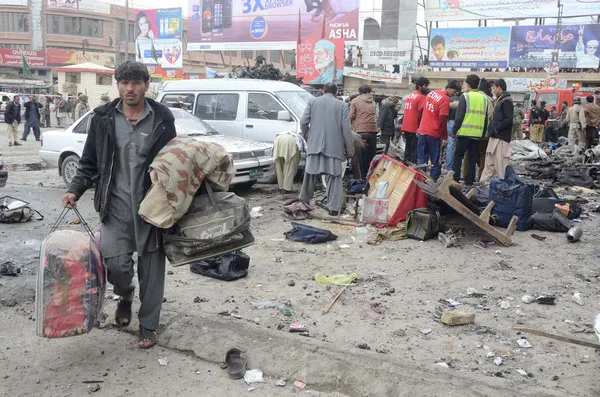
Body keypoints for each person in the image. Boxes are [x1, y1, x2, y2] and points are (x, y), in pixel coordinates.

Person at [61, 62, 177, 349]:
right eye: (124, 82)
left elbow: (175, 161)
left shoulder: (162, 117)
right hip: (115, 206)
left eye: (136, 83)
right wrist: (75, 189)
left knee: (151, 272)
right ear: (117, 84)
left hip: (153, 208)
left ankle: (148, 325)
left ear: (147, 85)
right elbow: (89, 162)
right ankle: (125, 295)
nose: (130, 89)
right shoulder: (102, 118)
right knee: (117, 265)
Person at [299, 83, 353, 216]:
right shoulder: (342, 105)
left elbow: (303, 122)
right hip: (334, 147)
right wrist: (349, 151)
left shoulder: (313, 102)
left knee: (309, 175)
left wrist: (307, 136)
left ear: (323, 91)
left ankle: (303, 203)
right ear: (336, 93)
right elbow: (346, 131)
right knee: (334, 178)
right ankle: (334, 209)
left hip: (315, 144)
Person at [417, 80, 461, 181]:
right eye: (454, 92)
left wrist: (418, 127)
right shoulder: (445, 99)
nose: (453, 95)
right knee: (435, 161)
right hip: (434, 133)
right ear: (450, 89)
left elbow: (420, 111)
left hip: (423, 132)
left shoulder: (431, 93)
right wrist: (444, 138)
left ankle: (419, 180)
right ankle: (433, 183)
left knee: (421, 160)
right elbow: (442, 120)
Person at [452, 74, 490, 186]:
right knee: (472, 159)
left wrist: (454, 130)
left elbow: (459, 117)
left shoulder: (466, 96)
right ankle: (470, 181)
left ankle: (455, 179)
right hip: (477, 134)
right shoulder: (484, 98)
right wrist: (482, 133)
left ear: (468, 85)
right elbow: (485, 118)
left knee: (458, 156)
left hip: (464, 133)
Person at [480, 79, 514, 182]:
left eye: (494, 88)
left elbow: (508, 119)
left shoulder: (506, 101)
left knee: (500, 162)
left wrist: (497, 127)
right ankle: (484, 182)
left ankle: (501, 183)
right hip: (495, 135)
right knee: (490, 161)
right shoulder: (499, 100)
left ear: (499, 88)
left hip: (501, 137)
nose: (493, 90)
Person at [350, 85, 378, 177]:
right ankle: (370, 175)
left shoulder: (355, 101)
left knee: (360, 157)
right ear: (369, 92)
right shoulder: (373, 102)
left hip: (360, 130)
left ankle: (361, 177)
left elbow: (351, 116)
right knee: (371, 155)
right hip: (373, 129)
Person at [402, 77, 430, 164]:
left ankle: (405, 166)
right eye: (426, 86)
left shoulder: (410, 96)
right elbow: (421, 114)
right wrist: (420, 128)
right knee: (414, 151)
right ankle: (412, 170)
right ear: (420, 86)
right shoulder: (421, 98)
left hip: (406, 126)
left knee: (408, 149)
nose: (427, 88)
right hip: (414, 127)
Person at [445, 92, 461, 171]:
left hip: (451, 122)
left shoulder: (450, 99)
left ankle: (449, 169)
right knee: (459, 147)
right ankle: (456, 168)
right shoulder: (463, 98)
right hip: (461, 124)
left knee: (450, 146)